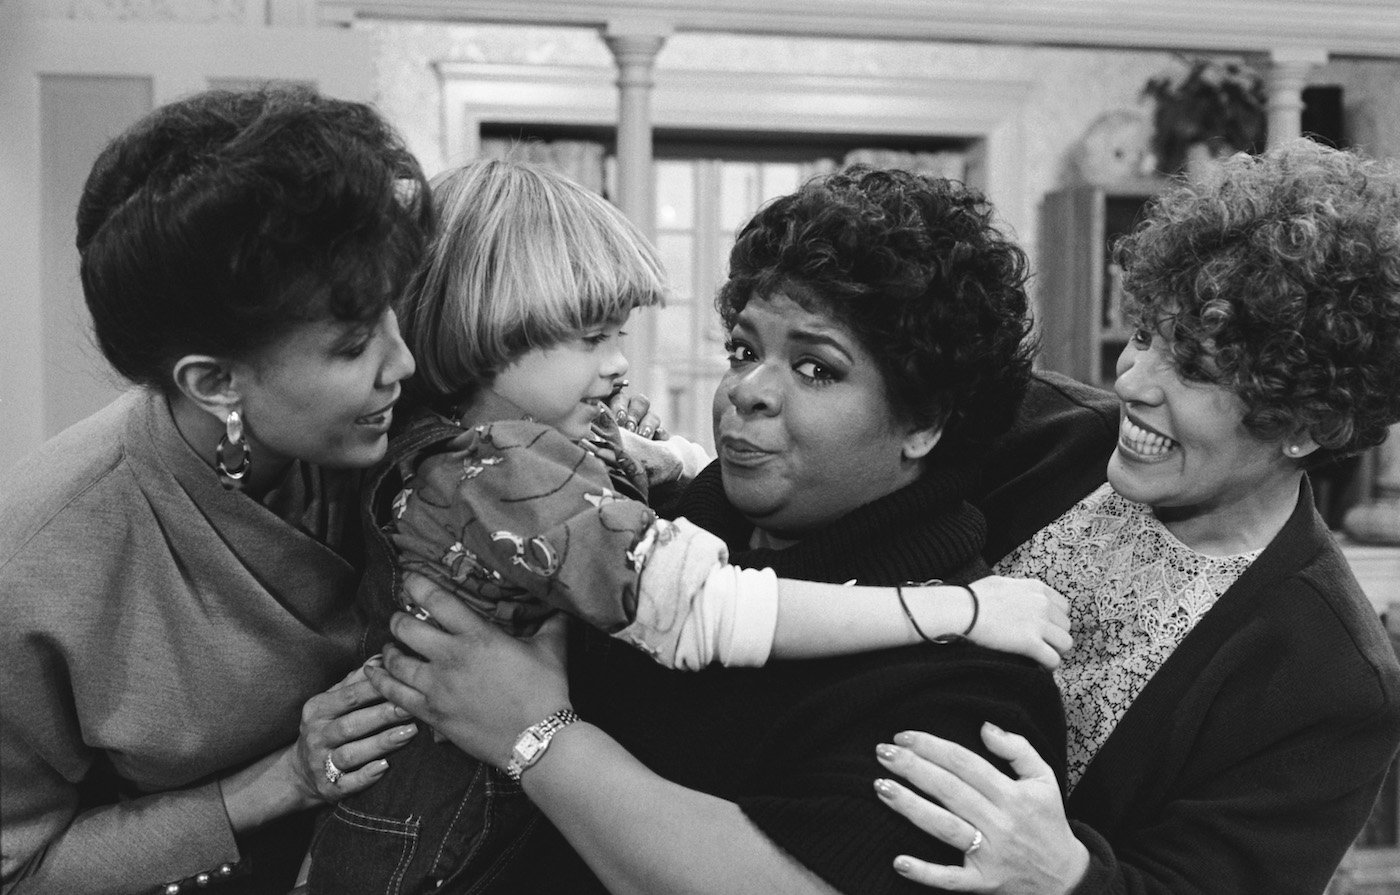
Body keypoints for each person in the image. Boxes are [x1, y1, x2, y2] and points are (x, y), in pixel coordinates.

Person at [307, 159, 1070, 894]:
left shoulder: (970, 682)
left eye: (816, 368)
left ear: (926, 422)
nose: (746, 391)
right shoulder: (654, 517)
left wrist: (533, 731)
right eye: (743, 349)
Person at [874, 139, 1400, 895]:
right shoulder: (1035, 425)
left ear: (1307, 421)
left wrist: (1069, 875)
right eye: (1149, 334)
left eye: (1195, 369)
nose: (1131, 377)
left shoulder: (1331, 679)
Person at [0, 86, 434, 895]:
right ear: (215, 381)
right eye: (350, 344)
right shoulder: (36, 561)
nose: (402, 362)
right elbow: (18, 866)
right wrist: (275, 783)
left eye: (391, 314)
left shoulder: (393, 427)